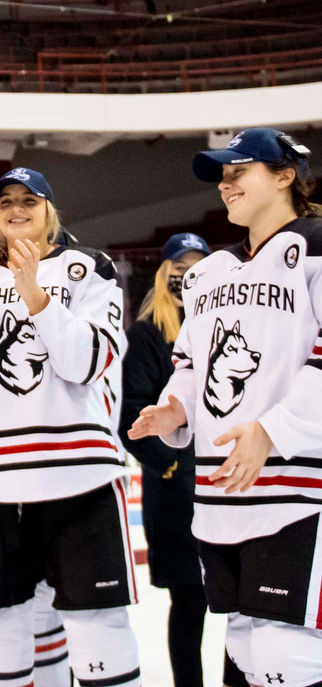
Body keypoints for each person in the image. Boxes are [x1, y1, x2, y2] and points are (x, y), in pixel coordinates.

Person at [0, 168, 141, 686]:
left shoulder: (90, 268)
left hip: (79, 476)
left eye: (29, 199)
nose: (16, 209)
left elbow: (89, 361)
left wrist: (37, 298)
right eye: (5, 202)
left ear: (50, 210)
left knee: (97, 628)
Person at [130, 128, 322, 686]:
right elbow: (193, 364)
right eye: (223, 174)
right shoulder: (208, 272)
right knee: (241, 651)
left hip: (297, 495)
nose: (226, 183)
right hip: (218, 503)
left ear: (286, 176)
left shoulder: (316, 246)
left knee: (286, 658)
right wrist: (175, 409)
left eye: (240, 171)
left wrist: (274, 428)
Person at [117, 233, 210, 687]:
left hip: (226, 482)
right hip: (174, 493)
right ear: (163, 272)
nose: (186, 275)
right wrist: (172, 466)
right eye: (179, 266)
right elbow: (129, 412)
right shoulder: (146, 333)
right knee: (190, 600)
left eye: (196, 266)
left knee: (235, 596)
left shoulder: (221, 323)